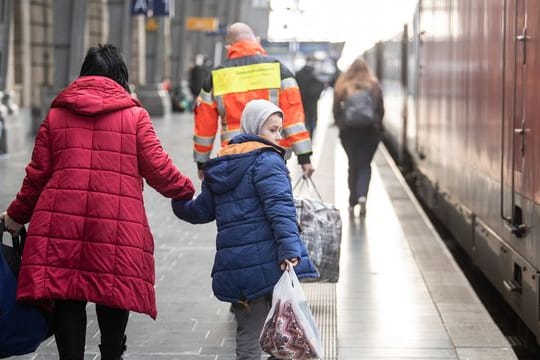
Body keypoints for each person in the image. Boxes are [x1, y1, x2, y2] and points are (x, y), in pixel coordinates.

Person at [0, 44, 195, 360]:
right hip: (115, 225)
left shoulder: (57, 114)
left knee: (67, 294)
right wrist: (187, 191)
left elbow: (36, 174)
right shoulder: (135, 116)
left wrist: (17, 214)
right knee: (113, 290)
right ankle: (112, 355)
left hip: (61, 223)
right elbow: (159, 168)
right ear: (121, 76)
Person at [173, 99, 319, 360]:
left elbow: (200, 211)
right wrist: (289, 250)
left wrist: (179, 200)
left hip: (236, 268)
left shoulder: (221, 162)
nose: (279, 137)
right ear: (254, 127)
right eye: (273, 130)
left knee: (248, 334)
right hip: (270, 263)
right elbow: (280, 210)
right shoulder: (267, 161)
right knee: (284, 332)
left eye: (280, 130)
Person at [193, 22, 315, 180]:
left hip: (235, 155)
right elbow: (294, 118)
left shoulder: (216, 76)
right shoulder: (279, 70)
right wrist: (304, 157)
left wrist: (202, 164)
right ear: (256, 40)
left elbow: (204, 126)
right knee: (274, 197)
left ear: (229, 47)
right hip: (273, 155)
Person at [333, 57, 384, 217]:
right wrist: (377, 125)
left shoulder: (342, 85)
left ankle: (352, 201)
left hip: (348, 133)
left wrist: (341, 125)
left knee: (352, 165)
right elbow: (380, 110)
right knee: (364, 165)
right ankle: (362, 196)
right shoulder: (374, 85)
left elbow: (335, 110)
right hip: (369, 132)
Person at [295, 56, 325, 137]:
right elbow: (321, 85)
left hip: (300, 101)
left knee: (301, 120)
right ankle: (310, 137)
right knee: (312, 121)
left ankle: (302, 136)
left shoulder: (298, 73)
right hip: (312, 102)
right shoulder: (315, 73)